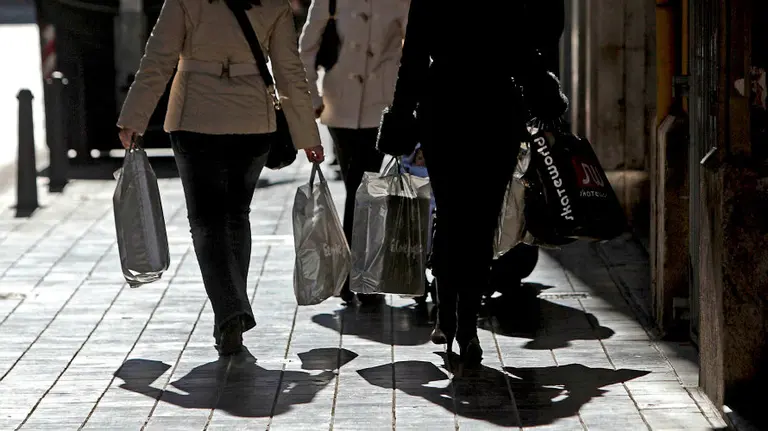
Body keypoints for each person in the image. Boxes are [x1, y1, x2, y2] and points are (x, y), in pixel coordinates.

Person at [116, 0, 325, 356]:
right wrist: (308, 137)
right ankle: (230, 313)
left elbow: (158, 61)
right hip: (253, 121)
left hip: (195, 120)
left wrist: (134, 118)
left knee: (206, 220)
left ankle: (230, 311)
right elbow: (290, 72)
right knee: (235, 216)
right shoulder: (273, 4)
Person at [376, 0, 568, 367]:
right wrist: (544, 96)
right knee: (481, 220)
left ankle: (447, 314)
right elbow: (530, 47)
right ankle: (466, 327)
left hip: (444, 108)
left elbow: (413, 58)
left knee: (451, 212)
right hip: (495, 109)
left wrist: (401, 116)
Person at [298, 0, 409, 305]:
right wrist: (312, 96)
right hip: (340, 104)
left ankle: (357, 275)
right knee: (357, 182)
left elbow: (413, 47)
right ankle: (359, 275)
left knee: (365, 183)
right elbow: (307, 47)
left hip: (382, 105)